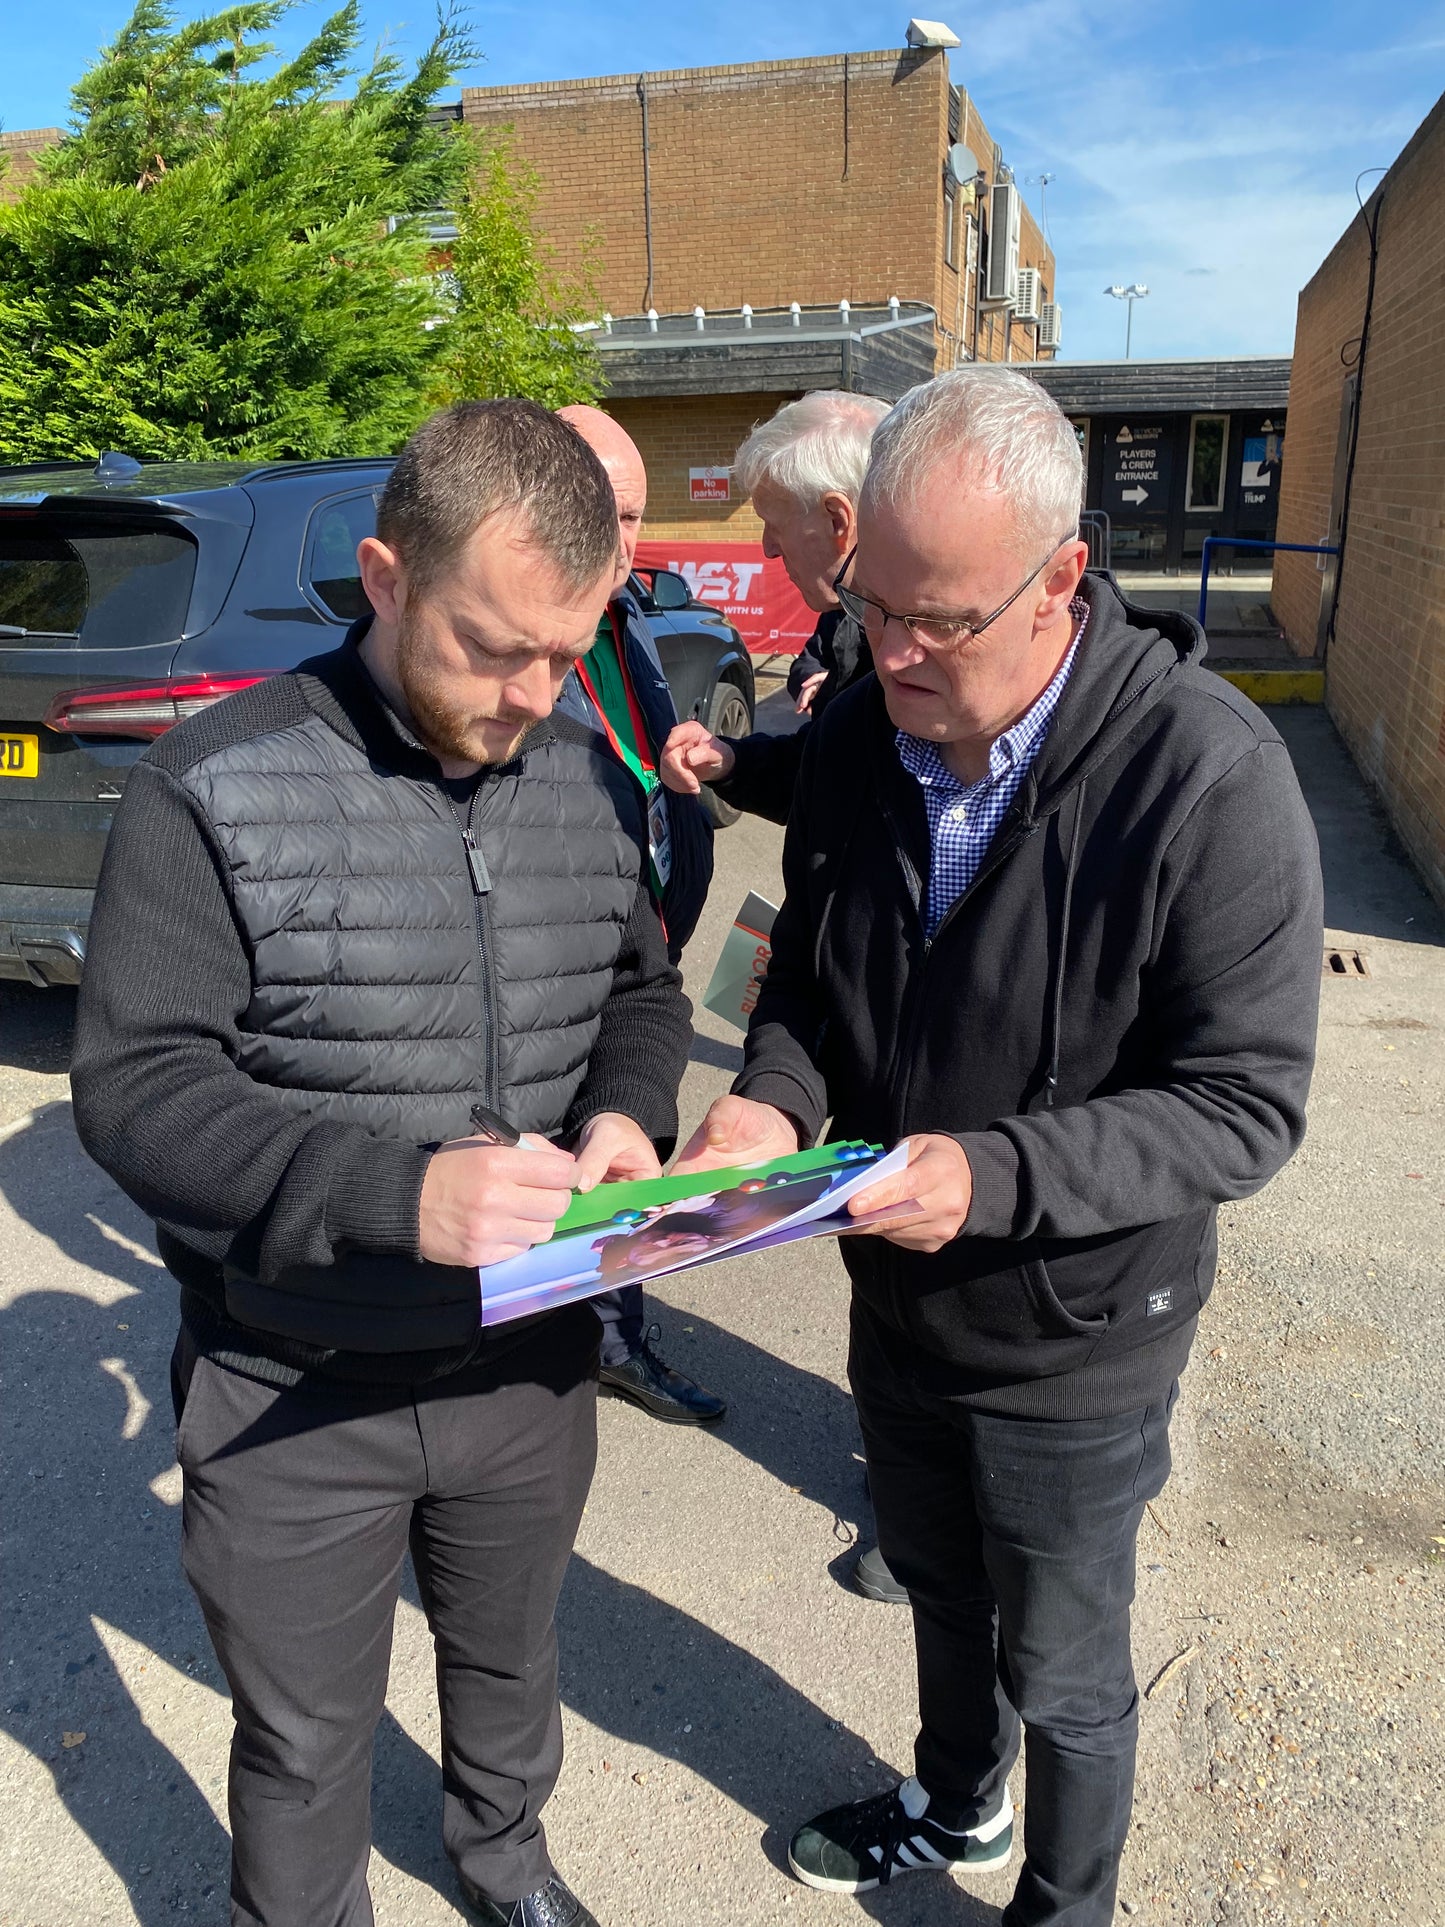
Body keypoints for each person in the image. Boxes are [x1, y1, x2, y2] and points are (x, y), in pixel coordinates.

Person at [674, 367, 1324, 1924]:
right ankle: (955, 1802)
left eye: (937, 621)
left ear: (1061, 584)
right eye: (871, 603)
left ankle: (1060, 1900)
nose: (889, 651)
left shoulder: (1208, 780)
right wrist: (773, 1099)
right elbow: (809, 979)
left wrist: (992, 1173)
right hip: (897, 1294)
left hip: (1079, 1330)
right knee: (939, 1592)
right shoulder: (853, 735)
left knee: (1067, 1662)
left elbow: (1244, 1102)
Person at [71, 399, 693, 1927]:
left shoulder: (584, 770)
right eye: (494, 647)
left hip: (525, 1359)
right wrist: (396, 1194)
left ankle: (504, 1857)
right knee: (301, 1739)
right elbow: (136, 1089)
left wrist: (630, 1112)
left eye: (570, 650)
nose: (533, 695)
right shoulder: (212, 784)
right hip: (292, 1383)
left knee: (510, 1661)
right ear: (385, 576)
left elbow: (644, 992)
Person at [553, 402, 725, 1427]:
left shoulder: (627, 620)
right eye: (607, 515)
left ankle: (613, 1337)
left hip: (643, 941)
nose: (628, 544)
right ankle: (585, 1349)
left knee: (622, 1136)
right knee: (578, 1153)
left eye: (636, 517)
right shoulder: (523, 643)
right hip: (560, 954)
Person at [660, 389, 888, 825]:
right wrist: (729, 760)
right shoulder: (852, 619)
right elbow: (824, 774)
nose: (766, 548)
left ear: (837, 520)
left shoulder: (917, 657)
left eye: (774, 525)